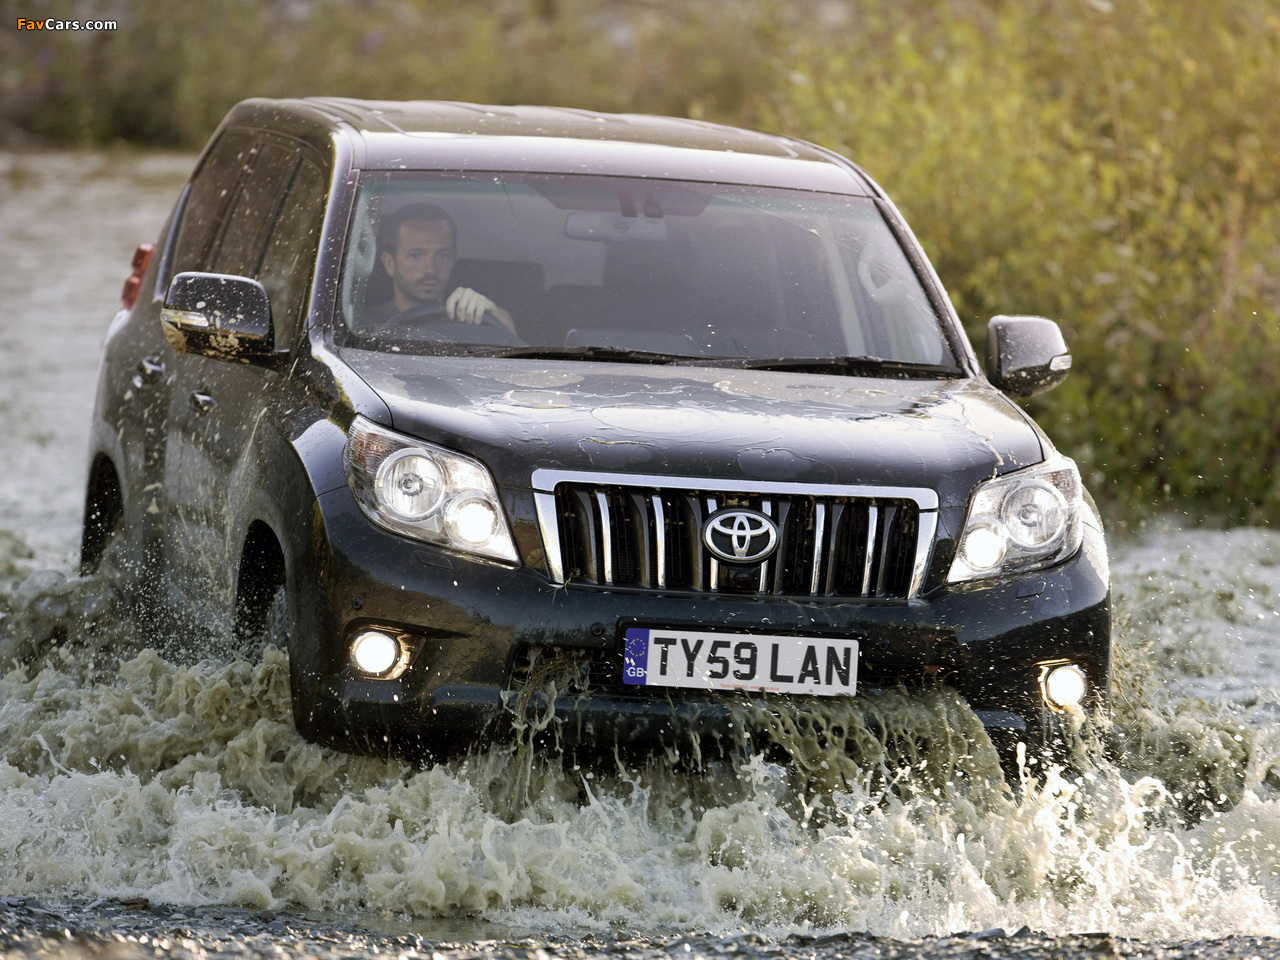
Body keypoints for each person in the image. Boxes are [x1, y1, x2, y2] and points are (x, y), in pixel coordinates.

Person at [365, 202, 516, 333]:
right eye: (416, 255)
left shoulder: (472, 320)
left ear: (453, 260)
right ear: (389, 263)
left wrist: (494, 315)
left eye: (442, 255)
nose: (431, 269)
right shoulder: (362, 327)